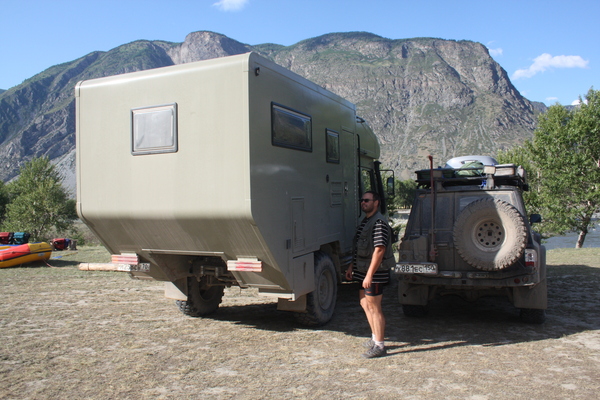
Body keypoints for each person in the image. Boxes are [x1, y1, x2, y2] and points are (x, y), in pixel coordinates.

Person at [346, 191, 396, 358]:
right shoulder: (366, 221)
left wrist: (369, 275)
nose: (363, 202)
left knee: (374, 307)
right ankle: (375, 338)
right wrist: (351, 266)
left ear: (376, 203)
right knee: (365, 304)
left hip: (374, 273)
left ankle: (380, 346)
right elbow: (360, 247)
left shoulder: (379, 223)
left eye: (367, 200)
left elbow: (379, 249)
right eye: (362, 200)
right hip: (362, 270)